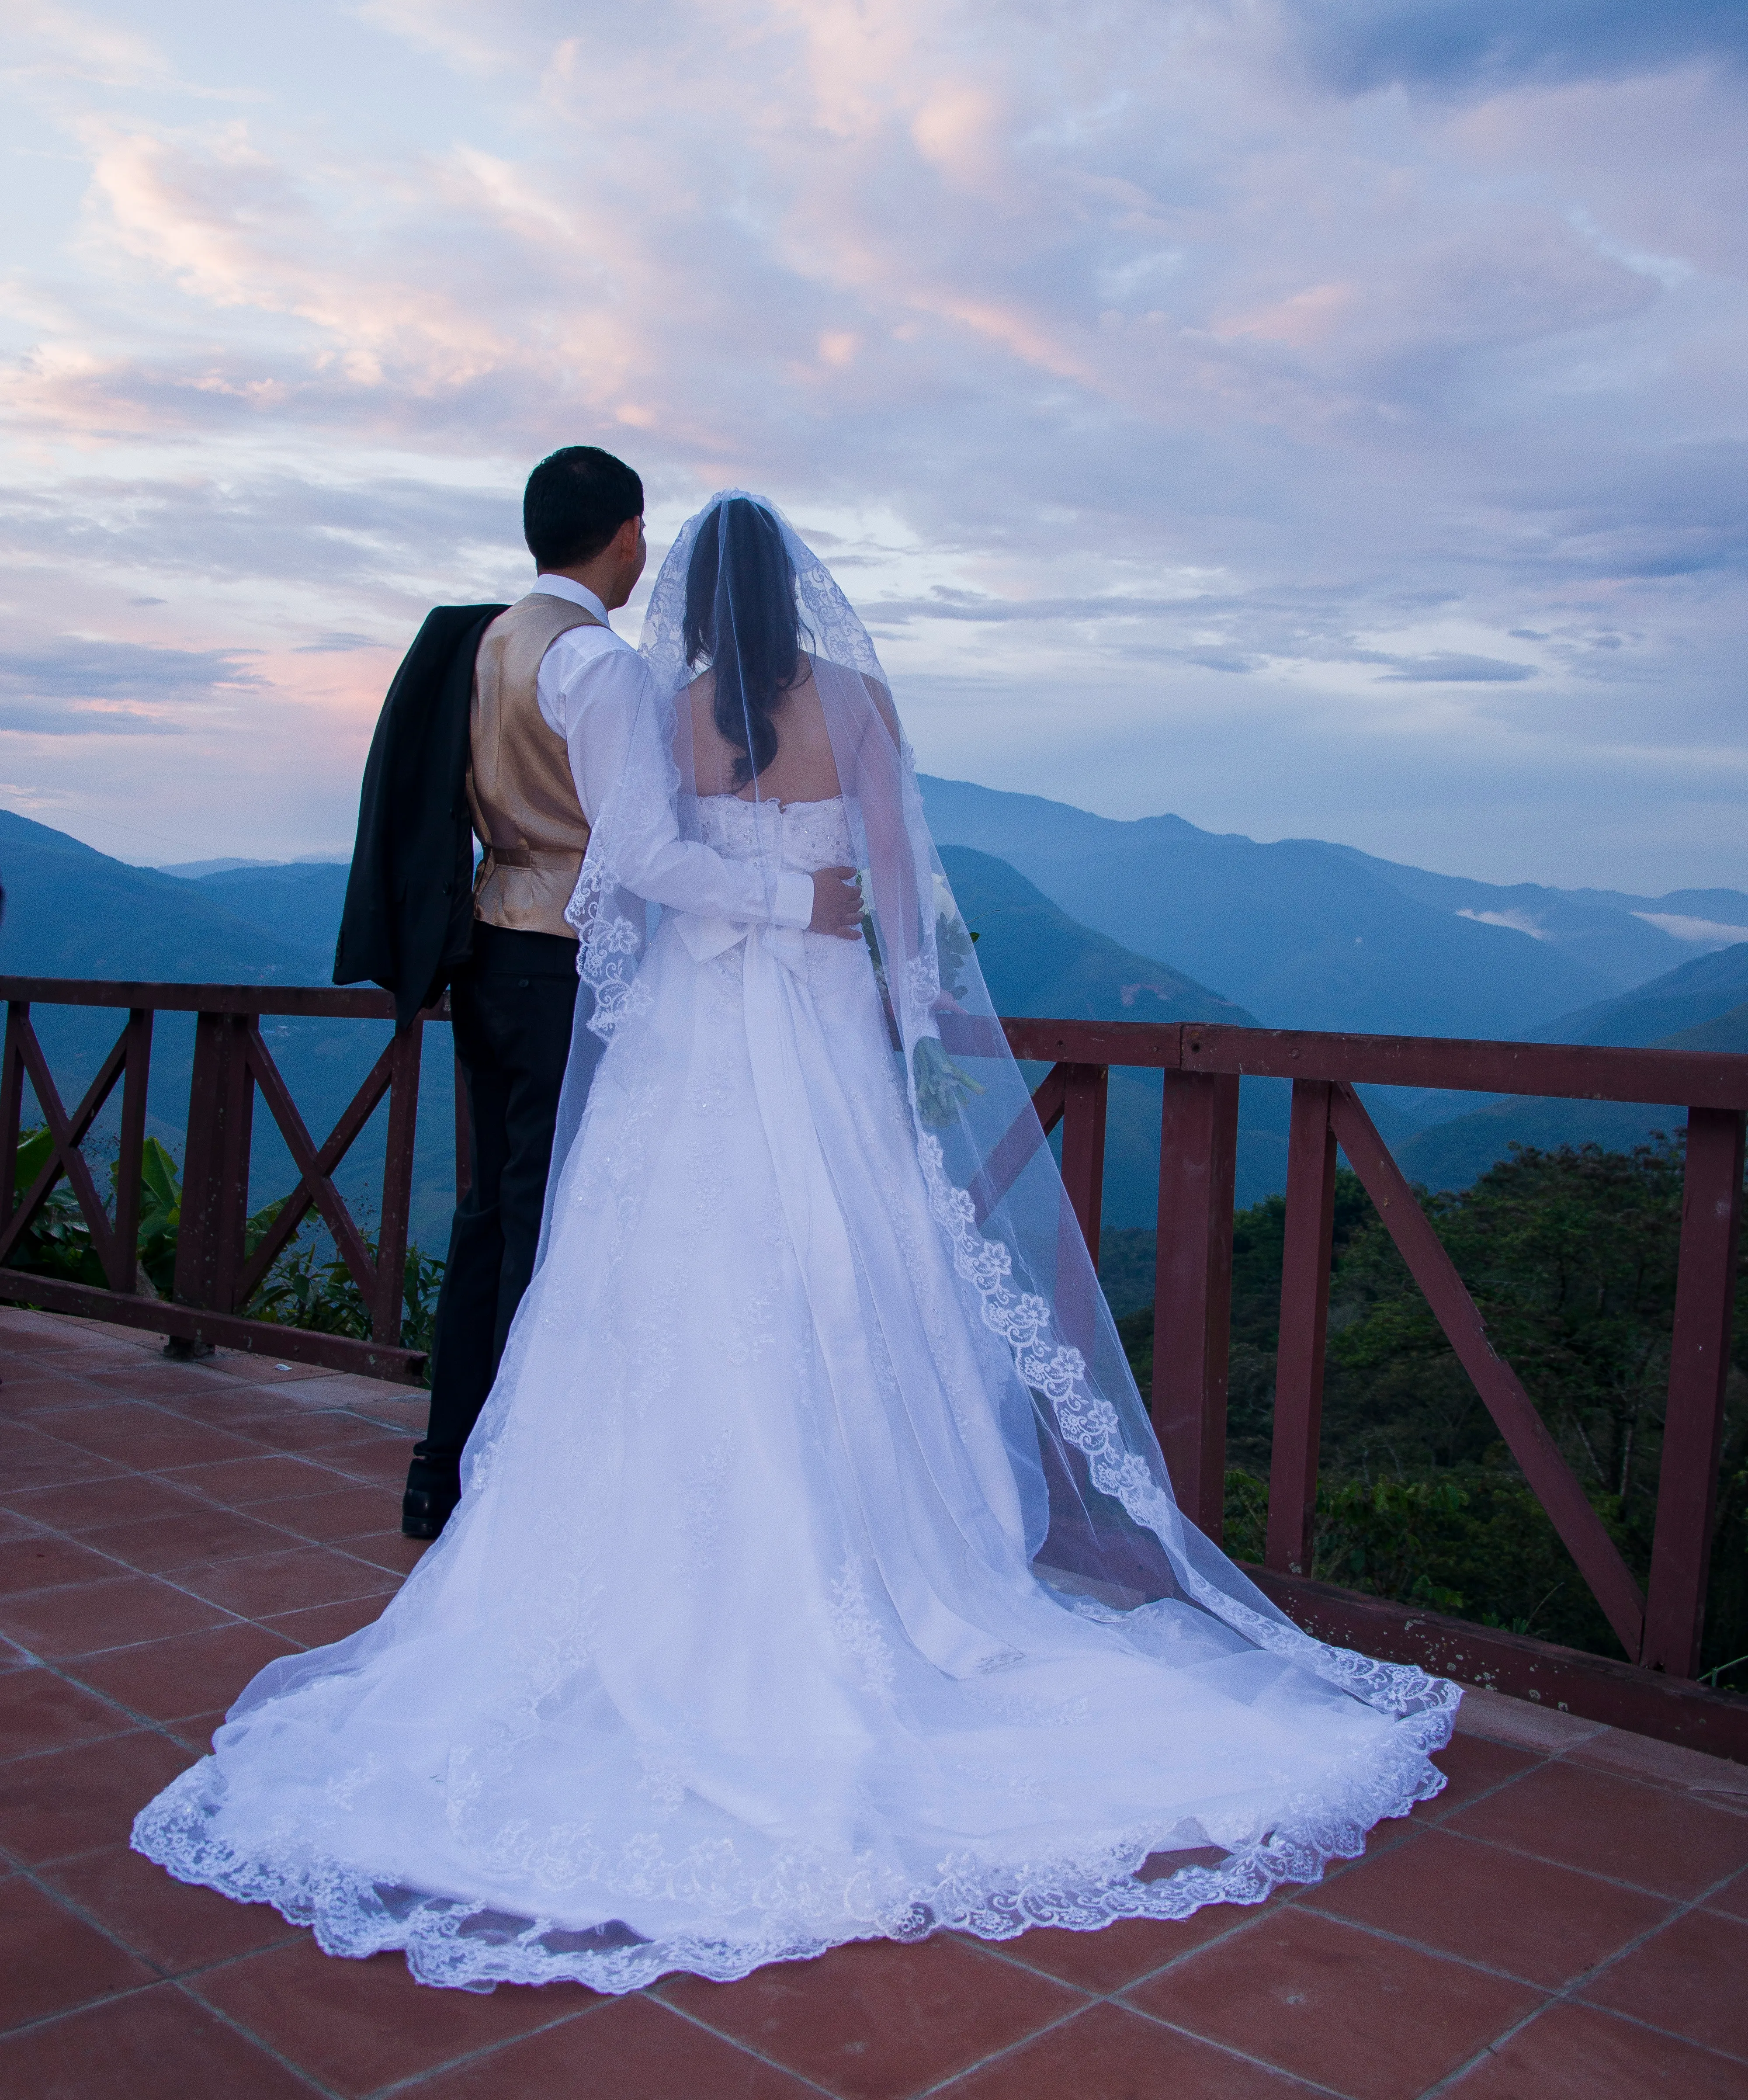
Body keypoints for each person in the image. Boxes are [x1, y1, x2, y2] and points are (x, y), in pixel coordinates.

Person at [134, 495, 1457, 1993]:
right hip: (822, 1026)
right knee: (847, 1276)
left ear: (693, 598)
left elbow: (628, 876)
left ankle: (627, 1586)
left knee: (660, 1294)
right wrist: (884, 996)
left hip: (694, 1047)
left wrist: (745, 915)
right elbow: (904, 900)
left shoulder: (666, 706)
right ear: (811, 599)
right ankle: (904, 1562)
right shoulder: (860, 702)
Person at [397, 451, 862, 1541]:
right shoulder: (599, 667)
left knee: (497, 1216)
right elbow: (641, 854)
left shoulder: (485, 643)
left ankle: (447, 1464)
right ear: (623, 536)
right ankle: (510, 1477)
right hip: (561, 957)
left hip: (488, 945)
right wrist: (797, 899)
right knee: (545, 1223)